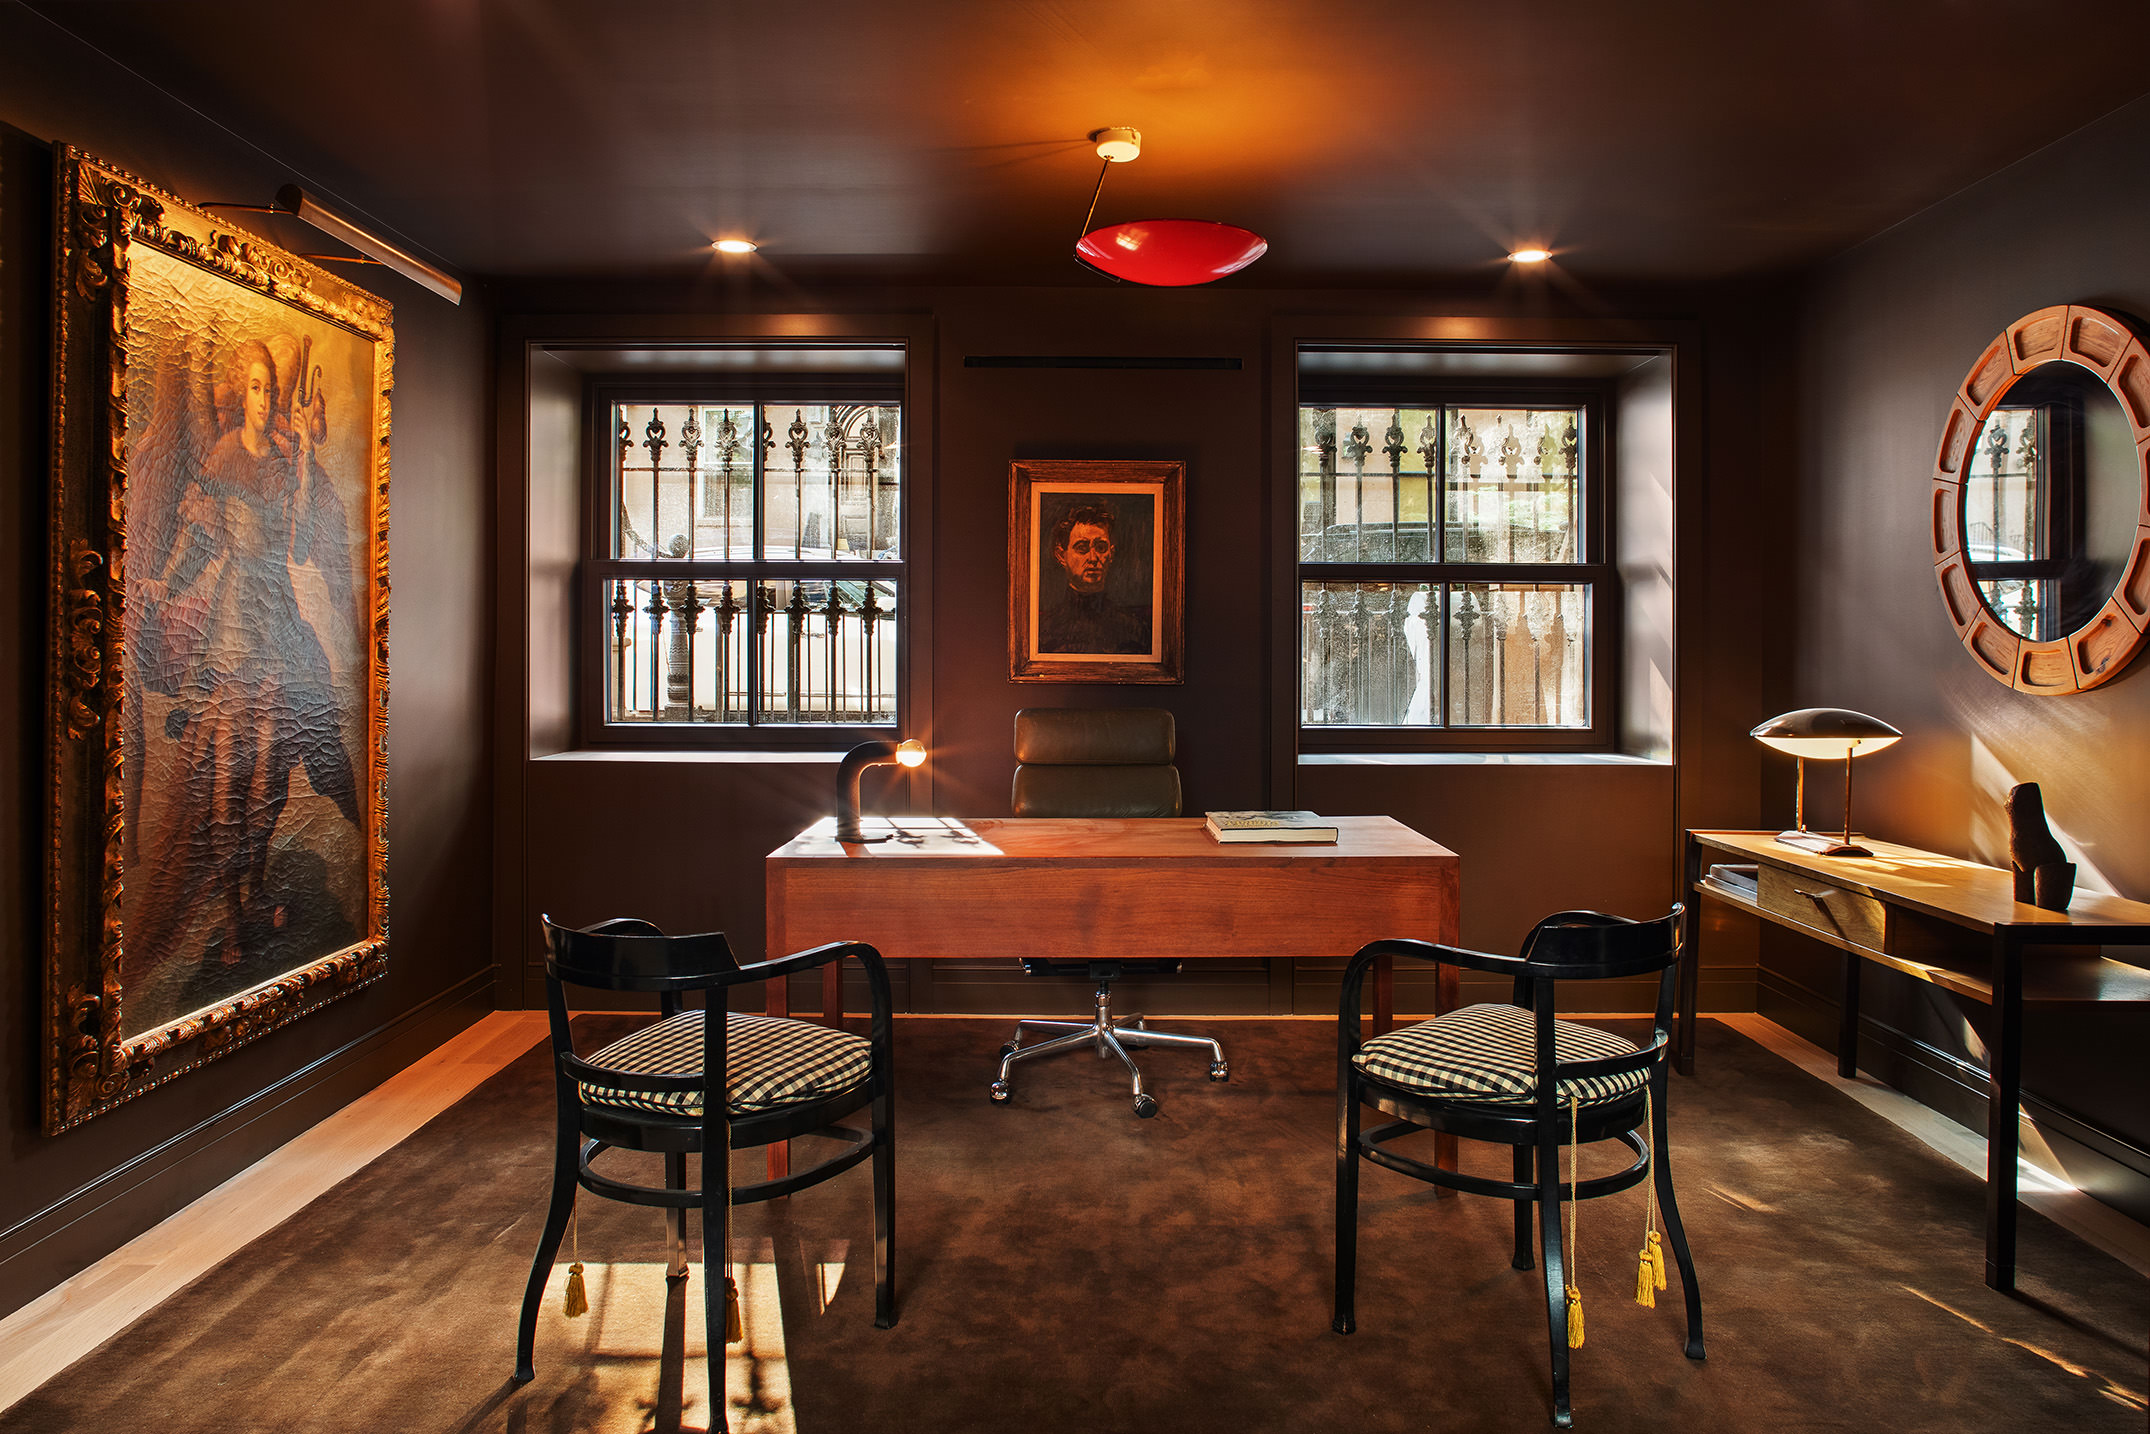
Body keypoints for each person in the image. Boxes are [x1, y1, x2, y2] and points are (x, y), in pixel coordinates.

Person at [125, 335, 361, 1002]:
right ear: (242, 393)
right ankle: (231, 917)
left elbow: (296, 542)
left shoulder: (285, 461)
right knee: (230, 781)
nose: (265, 400)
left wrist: (311, 450)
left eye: (270, 389)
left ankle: (253, 895)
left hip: (278, 621)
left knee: (267, 782)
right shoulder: (226, 455)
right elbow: (201, 537)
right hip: (235, 627)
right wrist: (164, 587)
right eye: (255, 388)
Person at [1036, 502, 1150, 655]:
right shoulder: (1043, 630)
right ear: (1061, 555)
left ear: (1111, 554)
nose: (1093, 558)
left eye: (1101, 548)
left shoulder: (1133, 628)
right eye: (1082, 547)